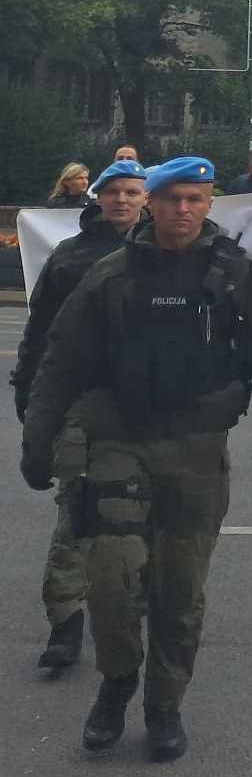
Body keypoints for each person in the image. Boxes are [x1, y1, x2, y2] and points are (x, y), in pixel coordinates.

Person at [19, 156, 252, 763]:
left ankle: (164, 704)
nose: (183, 211)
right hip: (119, 441)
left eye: (196, 200)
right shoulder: (111, 275)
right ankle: (117, 682)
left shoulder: (234, 273)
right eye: (172, 200)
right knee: (111, 580)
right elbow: (60, 360)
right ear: (151, 203)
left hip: (197, 447)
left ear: (208, 204)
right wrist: (37, 442)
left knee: (180, 588)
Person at [13, 159, 148, 676]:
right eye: (112, 191)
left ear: (145, 198)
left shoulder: (166, 255)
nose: (122, 200)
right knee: (78, 514)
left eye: (132, 192)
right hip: (81, 406)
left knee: (148, 522)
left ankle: (136, 616)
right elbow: (40, 331)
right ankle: (65, 625)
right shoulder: (70, 259)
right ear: (97, 197)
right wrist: (28, 397)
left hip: (148, 411)